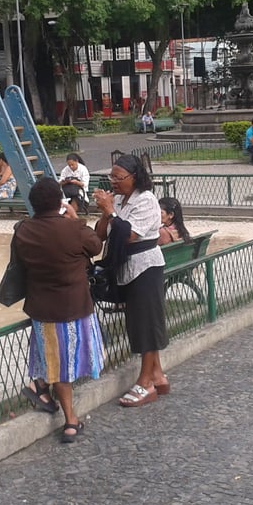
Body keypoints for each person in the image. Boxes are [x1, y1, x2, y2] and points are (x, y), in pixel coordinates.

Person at [16, 177, 105, 442]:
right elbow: (96, 245)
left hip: (42, 309)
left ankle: (41, 385)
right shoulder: (73, 229)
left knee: (53, 359)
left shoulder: (23, 231)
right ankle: (70, 420)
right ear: (60, 203)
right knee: (64, 367)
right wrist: (75, 218)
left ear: (33, 204)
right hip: (74, 306)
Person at [92, 154, 169, 407]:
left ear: (134, 177)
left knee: (146, 324)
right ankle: (157, 375)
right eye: (110, 177)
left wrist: (111, 211)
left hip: (145, 267)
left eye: (118, 177)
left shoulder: (146, 201)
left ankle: (145, 383)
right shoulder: (120, 200)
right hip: (128, 268)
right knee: (138, 322)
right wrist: (106, 213)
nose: (113, 181)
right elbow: (101, 236)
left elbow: (128, 236)